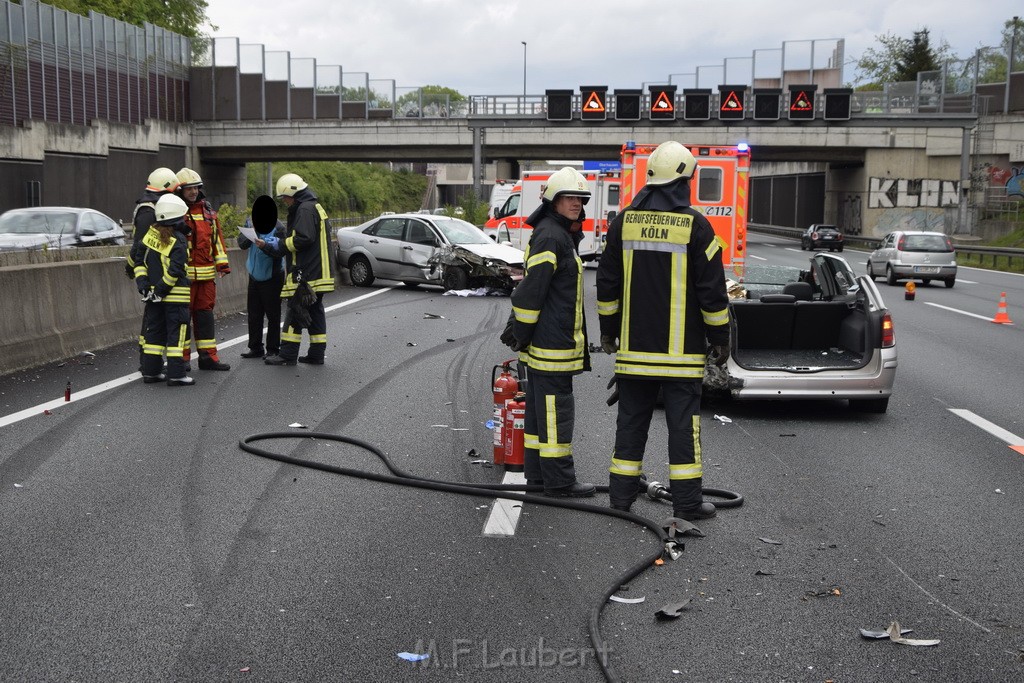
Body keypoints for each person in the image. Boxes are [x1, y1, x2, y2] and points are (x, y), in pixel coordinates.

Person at [596, 141, 731, 521]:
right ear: (684, 180)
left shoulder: (623, 222)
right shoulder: (697, 226)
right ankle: (687, 505)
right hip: (681, 357)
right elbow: (712, 293)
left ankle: (620, 501)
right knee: (683, 432)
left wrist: (609, 331)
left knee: (630, 426)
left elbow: (606, 284)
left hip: (634, 353)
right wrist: (719, 338)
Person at [500, 167, 596, 498]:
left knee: (539, 417)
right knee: (556, 414)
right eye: (569, 197)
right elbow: (532, 290)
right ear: (553, 201)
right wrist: (521, 330)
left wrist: (523, 333)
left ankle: (538, 477)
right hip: (552, 346)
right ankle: (559, 482)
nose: (576, 204)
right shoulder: (553, 237)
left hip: (547, 344)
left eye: (581, 199)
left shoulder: (557, 234)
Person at [260, 173, 335, 366]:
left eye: (284, 197)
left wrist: (281, 243)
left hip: (308, 274)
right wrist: (272, 246)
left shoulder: (304, 209)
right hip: (319, 273)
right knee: (315, 311)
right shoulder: (313, 206)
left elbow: (303, 238)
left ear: (293, 194)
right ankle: (317, 353)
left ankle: (287, 354)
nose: (284, 202)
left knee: (295, 310)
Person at [134, 194, 195, 386]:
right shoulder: (178, 240)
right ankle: (176, 374)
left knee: (154, 336)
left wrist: (144, 287)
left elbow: (139, 263)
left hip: (152, 297)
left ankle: (151, 373)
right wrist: (161, 290)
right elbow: (175, 271)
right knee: (176, 336)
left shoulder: (149, 236)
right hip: (174, 298)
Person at [176, 167, 231, 371]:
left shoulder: (207, 211)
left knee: (205, 317)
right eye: (189, 189)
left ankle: (208, 357)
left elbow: (217, 240)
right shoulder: (175, 212)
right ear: (180, 190)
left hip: (207, 278)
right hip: (183, 278)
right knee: (182, 319)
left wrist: (222, 264)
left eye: (196, 188)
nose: (193, 192)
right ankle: (181, 359)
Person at [128, 167, 180, 374]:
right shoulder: (149, 211)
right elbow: (142, 246)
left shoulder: (151, 207)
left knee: (153, 319)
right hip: (152, 272)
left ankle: (150, 363)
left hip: (151, 269)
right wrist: (133, 267)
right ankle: (148, 362)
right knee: (152, 321)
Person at [237, 195, 286, 359]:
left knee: (273, 315)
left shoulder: (279, 228)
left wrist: (264, 245)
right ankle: (255, 347)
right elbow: (242, 244)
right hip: (254, 275)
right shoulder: (250, 222)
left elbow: (280, 252)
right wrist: (248, 234)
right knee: (254, 314)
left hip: (272, 276)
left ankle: (273, 349)